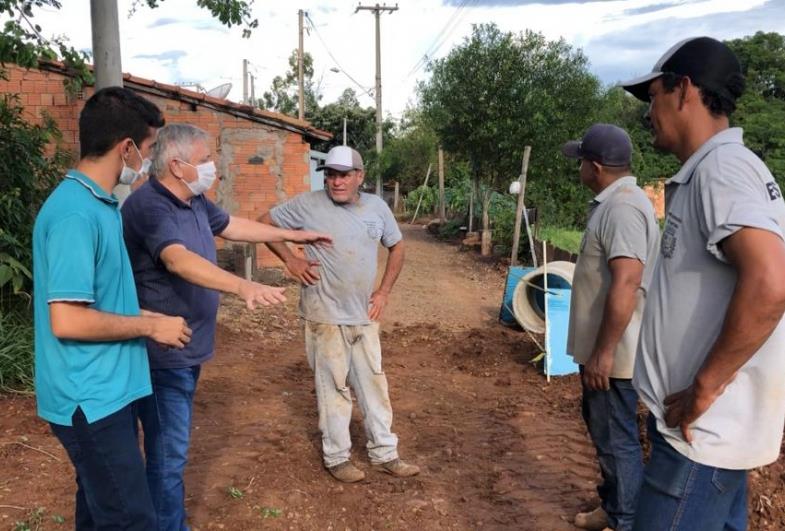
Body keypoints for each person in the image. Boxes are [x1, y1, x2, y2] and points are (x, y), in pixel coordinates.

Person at [121, 123, 332, 531]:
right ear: (177, 165)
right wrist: (242, 285)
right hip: (163, 355)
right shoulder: (150, 205)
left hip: (187, 350)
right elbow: (177, 260)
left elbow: (233, 225)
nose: (211, 167)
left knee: (168, 455)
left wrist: (291, 234)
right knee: (167, 460)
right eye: (203, 161)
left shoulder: (193, 199)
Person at [621, 36, 785, 530]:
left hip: (698, 442)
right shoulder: (717, 171)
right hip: (707, 439)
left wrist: (704, 389)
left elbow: (771, 282)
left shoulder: (722, 171)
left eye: (653, 97)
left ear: (684, 90)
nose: (648, 112)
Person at [33, 87, 192, 530]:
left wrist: (148, 316)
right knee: (130, 519)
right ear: (125, 148)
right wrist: (147, 328)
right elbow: (67, 319)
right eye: (146, 149)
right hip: (89, 398)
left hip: (108, 393)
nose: (147, 160)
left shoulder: (100, 206)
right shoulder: (74, 215)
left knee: (102, 511)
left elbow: (97, 299)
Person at [259, 145, 420, 483]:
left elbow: (398, 246)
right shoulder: (307, 204)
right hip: (324, 314)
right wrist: (290, 259)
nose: (336, 181)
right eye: (330, 174)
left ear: (359, 176)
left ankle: (385, 452)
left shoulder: (377, 207)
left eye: (344, 175)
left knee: (374, 384)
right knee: (333, 387)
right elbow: (264, 224)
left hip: (364, 314)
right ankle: (337, 457)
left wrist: (384, 291)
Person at [563, 124, 660, 531]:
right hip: (605, 351)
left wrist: (603, 353)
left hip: (614, 356)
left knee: (617, 439)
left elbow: (626, 281)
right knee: (605, 433)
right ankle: (614, 506)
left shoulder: (621, 209)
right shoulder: (616, 202)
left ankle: (625, 520)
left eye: (582, 160)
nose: (579, 166)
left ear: (596, 166)